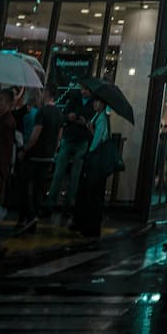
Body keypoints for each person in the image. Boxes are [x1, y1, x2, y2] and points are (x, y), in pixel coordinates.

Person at [15, 84, 63, 234]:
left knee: (22, 185)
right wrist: (53, 154)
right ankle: (33, 217)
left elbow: (35, 135)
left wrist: (25, 149)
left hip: (35, 156)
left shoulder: (42, 112)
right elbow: (58, 138)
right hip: (47, 157)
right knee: (38, 189)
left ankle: (27, 216)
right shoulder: (59, 113)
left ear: (47, 93)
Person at [45, 85, 93, 216]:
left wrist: (85, 122)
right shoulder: (74, 99)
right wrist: (69, 117)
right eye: (82, 89)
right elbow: (64, 116)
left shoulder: (93, 103)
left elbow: (91, 122)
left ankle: (68, 206)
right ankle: (50, 203)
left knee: (75, 175)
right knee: (59, 172)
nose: (83, 91)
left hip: (82, 140)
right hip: (69, 137)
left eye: (86, 89)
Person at [70, 96, 112, 238]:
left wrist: (89, 156)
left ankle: (91, 227)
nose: (94, 104)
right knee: (89, 193)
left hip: (95, 161)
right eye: (94, 101)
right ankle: (86, 224)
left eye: (97, 101)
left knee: (93, 195)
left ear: (103, 103)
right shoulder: (98, 116)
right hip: (94, 160)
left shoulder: (102, 120)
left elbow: (97, 141)